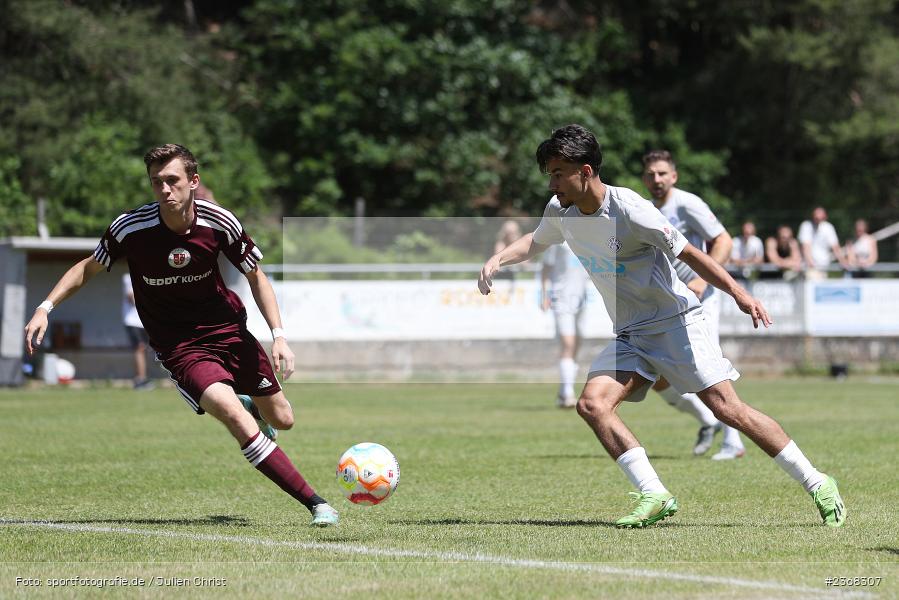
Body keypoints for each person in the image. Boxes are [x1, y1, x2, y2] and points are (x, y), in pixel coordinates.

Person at [478, 124, 845, 528]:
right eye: (549, 174)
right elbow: (537, 241)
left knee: (728, 409)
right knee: (593, 405)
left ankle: (818, 482)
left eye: (558, 174)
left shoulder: (630, 209)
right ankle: (654, 494)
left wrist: (738, 293)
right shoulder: (560, 210)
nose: (552, 184)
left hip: (676, 323)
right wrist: (498, 260)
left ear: (585, 172)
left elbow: (690, 253)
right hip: (632, 333)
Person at [24, 144, 338, 527]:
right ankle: (316, 504)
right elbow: (88, 267)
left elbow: (256, 276)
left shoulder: (219, 222)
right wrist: (45, 307)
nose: (164, 189)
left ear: (193, 181)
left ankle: (251, 404)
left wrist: (279, 335)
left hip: (229, 332)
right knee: (234, 417)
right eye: (156, 181)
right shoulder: (131, 228)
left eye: (172, 180)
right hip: (180, 347)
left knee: (283, 419)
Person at [641, 150, 745, 460]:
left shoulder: (687, 203)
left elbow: (724, 240)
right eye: (651, 174)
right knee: (655, 374)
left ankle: (733, 442)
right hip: (667, 301)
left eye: (662, 173)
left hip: (701, 299)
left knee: (709, 367)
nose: (657, 179)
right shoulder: (645, 209)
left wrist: (702, 280)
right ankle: (707, 420)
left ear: (674, 176)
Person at [540, 241, 590, 408]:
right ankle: (568, 393)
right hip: (561, 297)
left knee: (577, 344)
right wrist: (544, 294)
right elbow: (546, 268)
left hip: (581, 299)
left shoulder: (585, 238)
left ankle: (564, 391)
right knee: (568, 343)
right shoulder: (558, 240)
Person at [122, 272, 154, 390]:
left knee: (145, 349)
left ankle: (143, 378)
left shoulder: (149, 276)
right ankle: (140, 380)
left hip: (145, 321)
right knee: (139, 348)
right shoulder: (128, 277)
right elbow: (131, 297)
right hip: (132, 321)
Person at [798, 207, 847, 278]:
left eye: (820, 218)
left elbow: (835, 247)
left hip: (824, 266)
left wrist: (843, 261)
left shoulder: (828, 227)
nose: (818, 220)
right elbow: (805, 247)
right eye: (816, 217)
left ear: (825, 217)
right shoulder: (806, 226)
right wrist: (810, 262)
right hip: (809, 267)